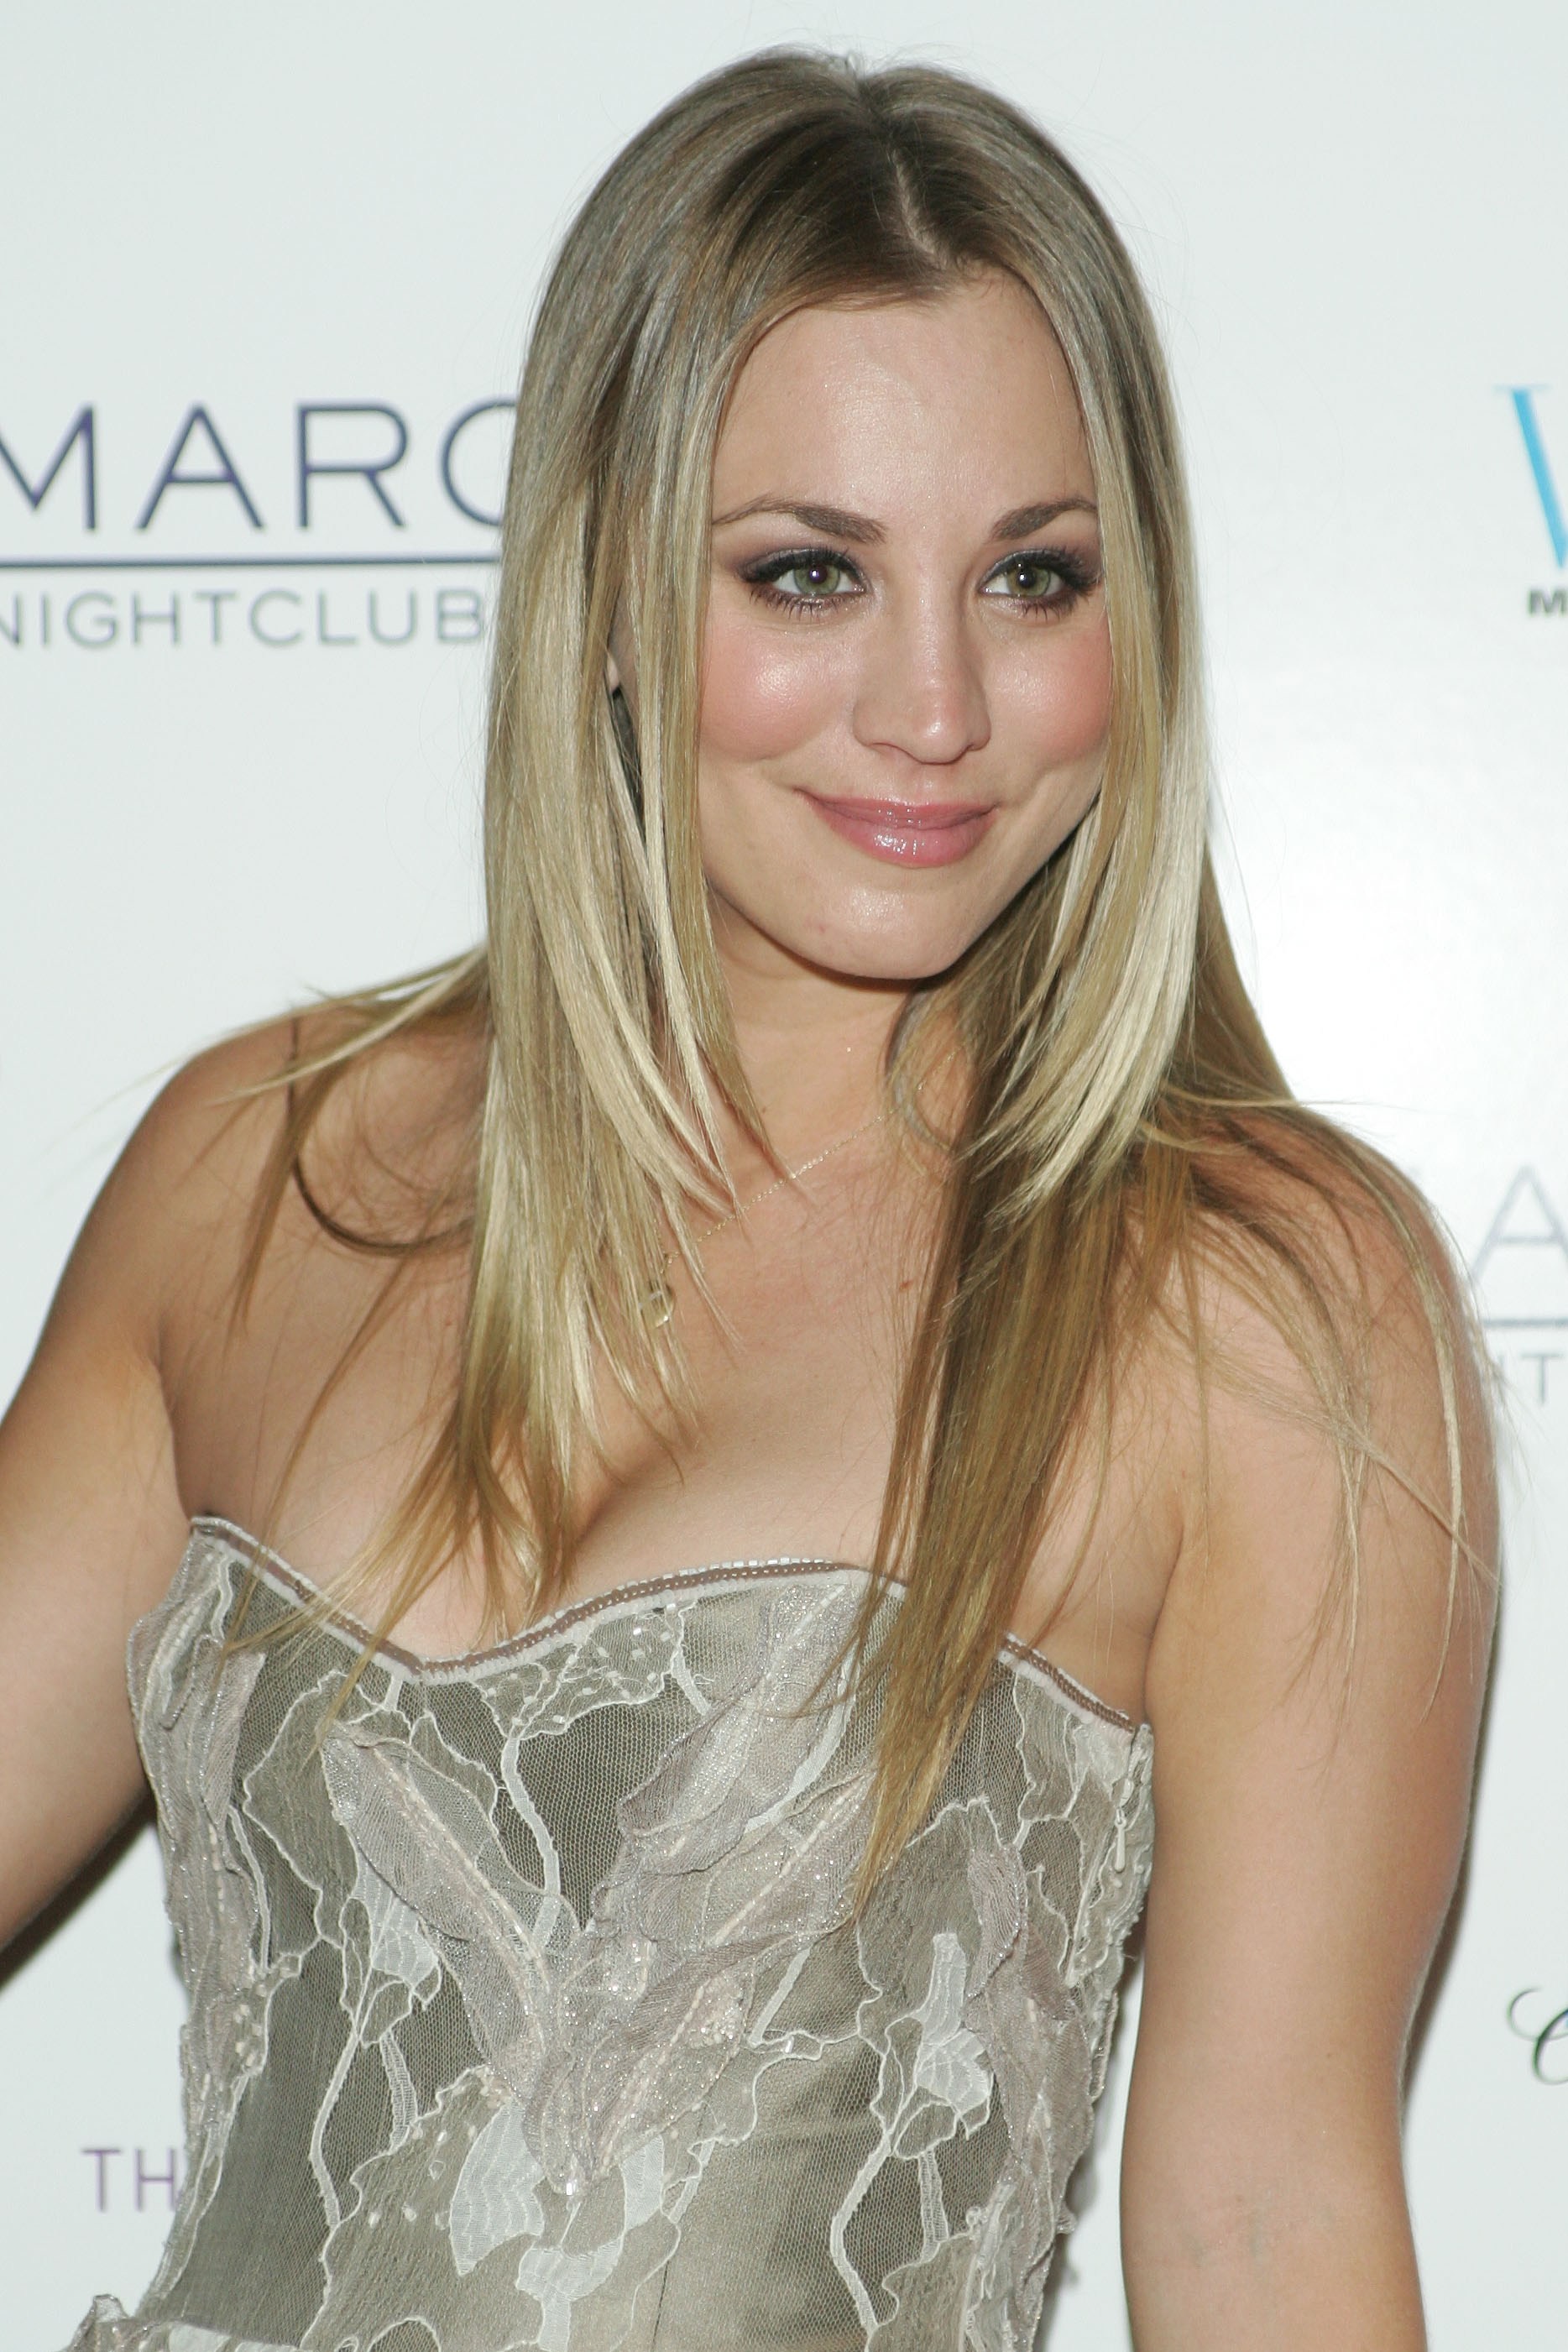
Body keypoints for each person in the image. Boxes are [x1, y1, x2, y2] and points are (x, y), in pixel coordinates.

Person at [0, 48, 1493, 2352]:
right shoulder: (259, 1171)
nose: (935, 707)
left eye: (1031, 578)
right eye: (810, 571)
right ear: (602, 588)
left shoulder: (1250, 1305)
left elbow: (1264, 2225)